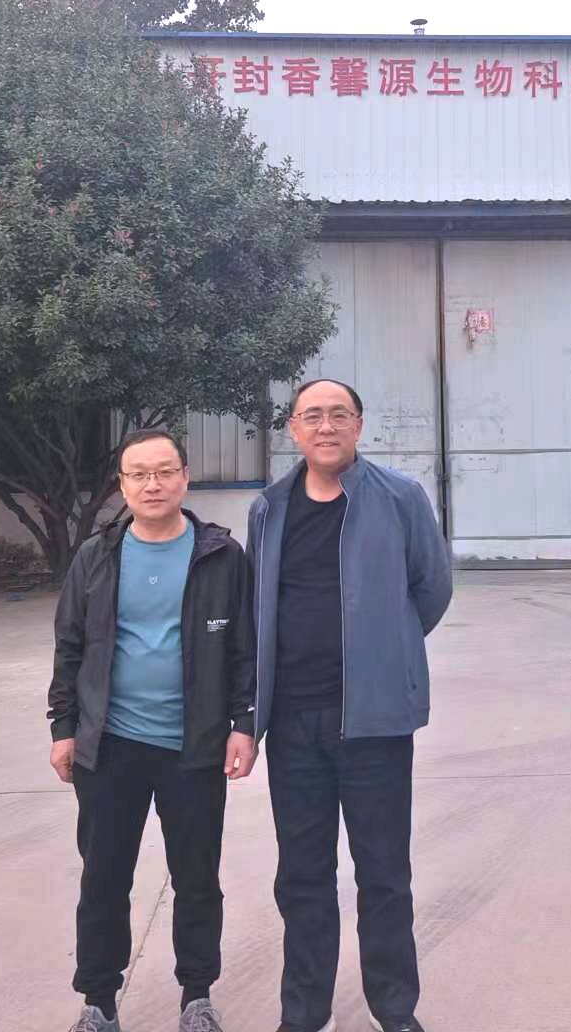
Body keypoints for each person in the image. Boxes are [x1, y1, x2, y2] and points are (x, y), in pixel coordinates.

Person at [247, 379, 453, 1032]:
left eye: (339, 414)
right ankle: (305, 1013)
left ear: (359, 426)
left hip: (376, 723)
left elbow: (431, 589)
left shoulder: (400, 498)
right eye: (313, 415)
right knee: (303, 877)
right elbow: (259, 604)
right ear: (293, 429)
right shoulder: (268, 508)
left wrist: (385, 649)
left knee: (384, 874)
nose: (326, 426)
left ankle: (394, 1010)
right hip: (293, 725)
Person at [48, 428, 257, 1032]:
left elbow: (244, 648)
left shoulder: (221, 556)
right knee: (104, 878)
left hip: (193, 748)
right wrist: (64, 727)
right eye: (138, 474)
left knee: (197, 879)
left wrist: (243, 723)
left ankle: (197, 996)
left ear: (185, 477)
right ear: (122, 485)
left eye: (164, 471)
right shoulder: (96, 556)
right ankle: (98, 1002)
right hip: (109, 747)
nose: (153, 484)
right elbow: (69, 646)